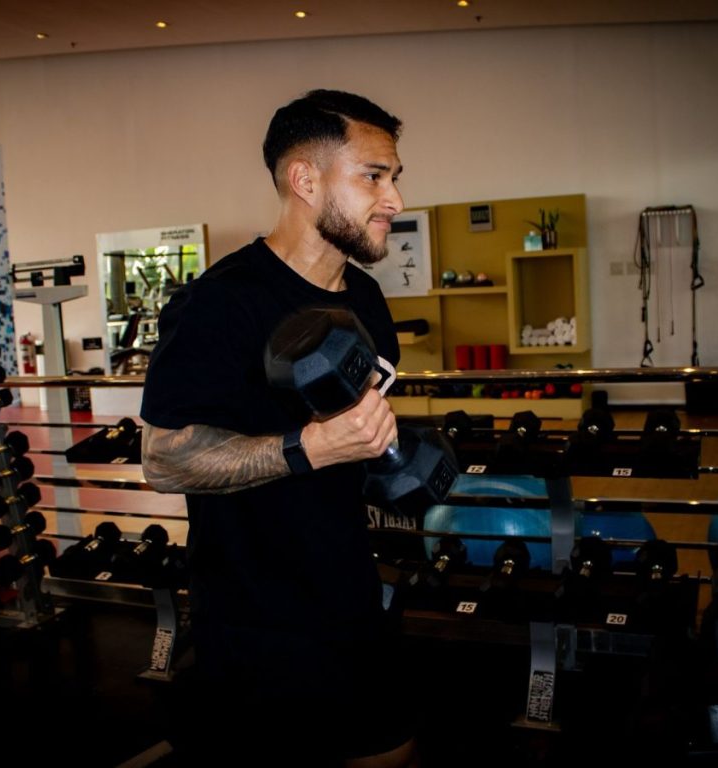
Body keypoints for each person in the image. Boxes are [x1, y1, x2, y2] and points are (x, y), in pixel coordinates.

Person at [140, 90, 419, 767]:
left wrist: (390, 458)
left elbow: (355, 433)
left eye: (395, 178)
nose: (396, 201)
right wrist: (310, 448)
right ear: (305, 179)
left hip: (352, 586)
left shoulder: (367, 300)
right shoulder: (219, 303)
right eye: (374, 176)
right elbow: (163, 460)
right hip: (255, 614)